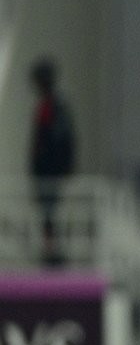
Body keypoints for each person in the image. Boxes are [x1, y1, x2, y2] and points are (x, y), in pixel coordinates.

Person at [29, 57, 76, 265]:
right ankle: (50, 249)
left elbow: (63, 140)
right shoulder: (47, 105)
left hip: (52, 170)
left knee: (54, 212)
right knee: (47, 214)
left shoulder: (56, 106)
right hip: (45, 170)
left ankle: (55, 251)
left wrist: (62, 167)